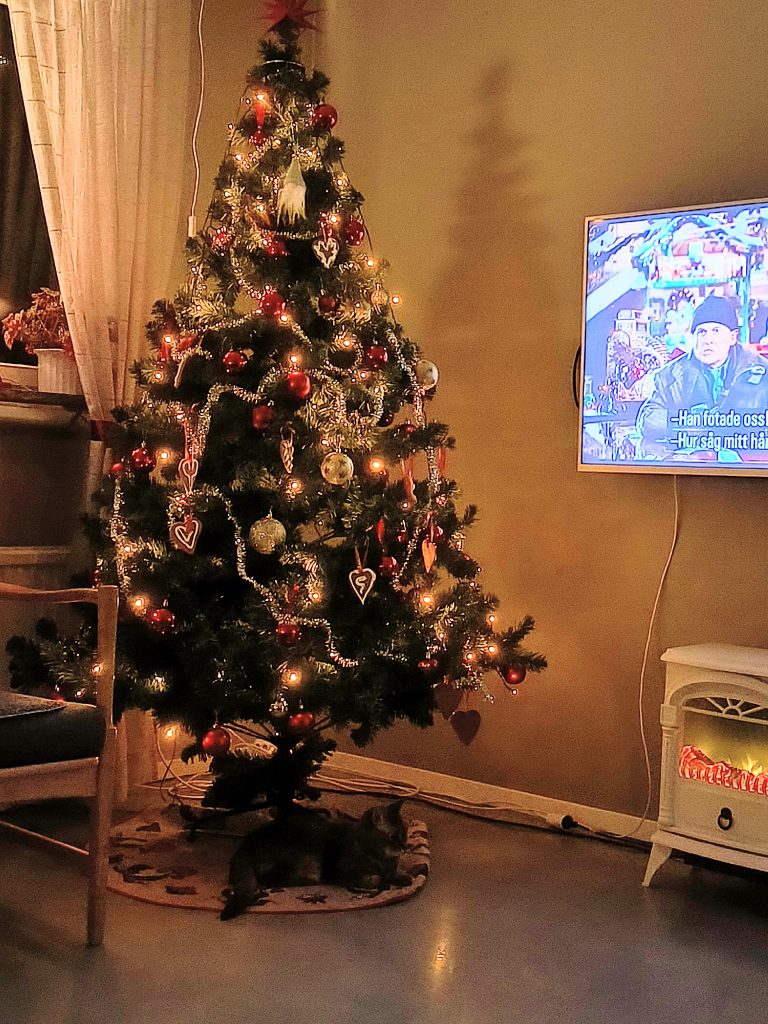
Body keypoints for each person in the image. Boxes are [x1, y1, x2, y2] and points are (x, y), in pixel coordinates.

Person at [636, 294, 768, 458]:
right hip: (692, 467)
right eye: (702, 332)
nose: (708, 340)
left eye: (716, 331)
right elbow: (648, 422)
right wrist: (694, 423)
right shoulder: (670, 375)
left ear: (732, 337)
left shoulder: (762, 371)